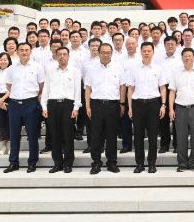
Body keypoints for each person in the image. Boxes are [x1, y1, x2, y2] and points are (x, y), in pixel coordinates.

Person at [125, 42, 167, 174]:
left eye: (149, 51)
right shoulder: (134, 68)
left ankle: (152, 163)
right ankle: (139, 163)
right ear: (141, 52)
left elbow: (162, 88)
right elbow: (130, 89)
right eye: (144, 51)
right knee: (138, 136)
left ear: (153, 52)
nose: (147, 53)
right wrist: (130, 107)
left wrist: (163, 105)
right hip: (137, 104)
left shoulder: (158, 69)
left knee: (153, 136)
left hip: (153, 104)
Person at [3, 42, 45, 173]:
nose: (24, 52)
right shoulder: (11, 68)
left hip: (31, 103)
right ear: (17, 51)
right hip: (14, 104)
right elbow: (9, 85)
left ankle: (32, 162)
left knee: (32, 135)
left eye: (27, 50)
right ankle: (13, 162)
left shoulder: (37, 67)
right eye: (21, 50)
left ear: (30, 52)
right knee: (14, 135)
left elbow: (41, 85)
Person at [85, 43, 125, 174]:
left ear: (111, 53)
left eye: (108, 52)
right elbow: (88, 88)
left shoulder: (118, 68)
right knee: (96, 136)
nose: (106, 55)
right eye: (103, 52)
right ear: (98, 53)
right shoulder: (91, 68)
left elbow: (122, 87)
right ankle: (96, 162)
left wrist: (122, 104)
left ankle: (111, 162)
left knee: (112, 136)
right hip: (96, 105)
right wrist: (88, 106)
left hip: (113, 105)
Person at [41, 46, 81, 173]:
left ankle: (68, 163)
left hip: (68, 105)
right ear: (56, 56)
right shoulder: (50, 71)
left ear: (68, 56)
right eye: (59, 54)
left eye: (64, 54)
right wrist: (44, 106)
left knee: (68, 135)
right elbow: (46, 90)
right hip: (53, 105)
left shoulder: (75, 71)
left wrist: (76, 107)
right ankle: (57, 163)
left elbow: (77, 91)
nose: (62, 56)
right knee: (54, 135)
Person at [168, 48, 194, 172]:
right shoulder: (176, 73)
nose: (187, 58)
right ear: (182, 58)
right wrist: (171, 109)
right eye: (185, 56)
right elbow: (172, 91)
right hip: (180, 108)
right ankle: (182, 163)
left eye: (190, 56)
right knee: (181, 137)